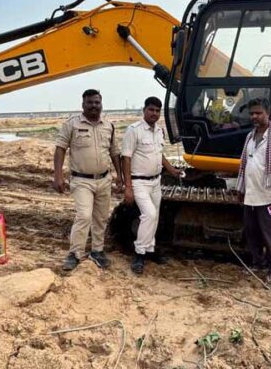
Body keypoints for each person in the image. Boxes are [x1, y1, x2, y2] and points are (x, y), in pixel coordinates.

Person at [54, 89, 123, 272]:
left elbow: (114, 152)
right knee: (84, 216)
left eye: (97, 102)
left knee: (101, 218)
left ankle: (97, 251)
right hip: (81, 180)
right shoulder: (72, 124)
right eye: (90, 102)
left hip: (104, 180)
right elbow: (60, 149)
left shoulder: (108, 126)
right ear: (83, 105)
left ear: (101, 104)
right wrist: (58, 176)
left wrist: (120, 176)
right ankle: (75, 253)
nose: (94, 106)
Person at [236, 97, 271, 287]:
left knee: (269, 234)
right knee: (251, 232)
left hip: (270, 198)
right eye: (252, 113)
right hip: (250, 195)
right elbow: (246, 165)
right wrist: (241, 190)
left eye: (258, 113)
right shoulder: (250, 137)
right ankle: (257, 264)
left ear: (268, 113)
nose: (254, 116)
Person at [122, 96, 181, 274]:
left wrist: (172, 170)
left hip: (156, 181)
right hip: (139, 182)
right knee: (149, 214)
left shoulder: (159, 131)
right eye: (151, 110)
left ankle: (150, 249)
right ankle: (139, 254)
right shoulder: (134, 130)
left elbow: (159, 154)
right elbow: (126, 158)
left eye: (157, 111)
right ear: (144, 110)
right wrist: (128, 187)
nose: (154, 113)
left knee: (155, 217)